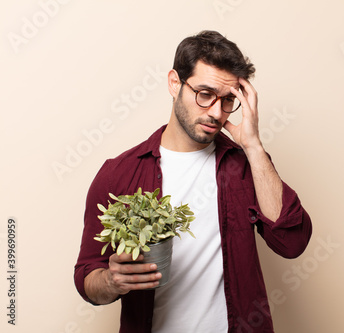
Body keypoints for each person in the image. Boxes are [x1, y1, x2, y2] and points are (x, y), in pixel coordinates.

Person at [74, 30, 312, 333]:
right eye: (205, 94)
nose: (216, 112)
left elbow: (291, 243)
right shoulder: (119, 173)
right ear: (175, 83)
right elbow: (87, 276)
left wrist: (252, 146)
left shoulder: (246, 165)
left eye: (228, 100)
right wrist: (111, 280)